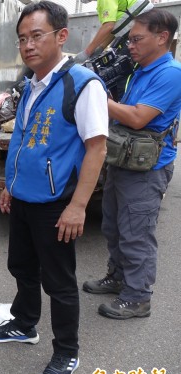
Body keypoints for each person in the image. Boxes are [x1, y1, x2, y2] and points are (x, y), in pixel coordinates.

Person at [0, 1, 108, 374]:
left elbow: (96, 148)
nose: (28, 45)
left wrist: (78, 206)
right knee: (22, 268)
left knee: (60, 282)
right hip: (23, 200)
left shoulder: (82, 84)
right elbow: (20, 141)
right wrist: (9, 186)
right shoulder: (30, 84)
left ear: (61, 36)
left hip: (55, 206)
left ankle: (67, 351)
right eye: (22, 38)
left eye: (37, 35)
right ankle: (24, 324)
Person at [83, 9, 181, 319]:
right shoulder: (141, 70)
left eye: (137, 39)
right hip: (123, 161)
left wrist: (97, 97)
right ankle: (119, 277)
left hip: (147, 170)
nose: (130, 46)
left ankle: (138, 297)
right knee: (112, 224)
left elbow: (138, 117)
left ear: (162, 37)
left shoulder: (171, 73)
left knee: (136, 231)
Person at [74, 0, 153, 63]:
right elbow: (116, 27)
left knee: (121, 65)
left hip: (141, 27)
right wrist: (101, 47)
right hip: (143, 24)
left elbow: (108, 26)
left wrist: (87, 52)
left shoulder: (104, 1)